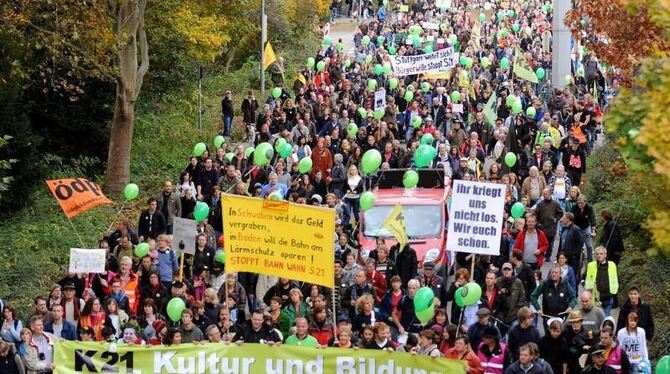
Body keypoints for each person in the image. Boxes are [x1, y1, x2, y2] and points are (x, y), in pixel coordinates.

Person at [531, 265, 577, 331]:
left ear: (560, 274)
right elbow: (533, 296)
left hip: (562, 317)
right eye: (552, 272)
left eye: (556, 273)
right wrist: (538, 309)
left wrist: (570, 307)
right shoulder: (545, 284)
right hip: (547, 317)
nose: (554, 274)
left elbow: (573, 297)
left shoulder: (565, 284)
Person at [584, 246, 619, 316]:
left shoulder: (612, 265)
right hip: (595, 298)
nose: (599, 255)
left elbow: (615, 279)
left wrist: (614, 291)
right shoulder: (591, 265)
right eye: (597, 254)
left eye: (601, 254)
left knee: (605, 319)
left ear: (605, 255)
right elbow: (587, 280)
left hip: (608, 297)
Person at [495, 262, 526, 336]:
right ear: (502, 271)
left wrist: (517, 311)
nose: (507, 271)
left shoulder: (518, 282)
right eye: (505, 269)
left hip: (513, 316)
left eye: (508, 269)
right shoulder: (497, 281)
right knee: (500, 337)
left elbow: (522, 298)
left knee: (513, 336)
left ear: (512, 270)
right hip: (500, 316)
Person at [533, 187, 563, 261]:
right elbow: (536, 214)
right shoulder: (540, 204)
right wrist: (537, 223)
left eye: (545, 193)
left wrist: (556, 219)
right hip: (542, 226)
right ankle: (541, 254)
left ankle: (548, 256)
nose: (543, 195)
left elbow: (560, 213)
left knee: (550, 242)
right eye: (543, 193)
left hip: (551, 227)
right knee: (541, 242)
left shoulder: (555, 204)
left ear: (549, 194)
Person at [558, 212, 585, 276]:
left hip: (572, 259)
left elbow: (581, 242)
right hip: (564, 257)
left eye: (563, 217)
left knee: (572, 276)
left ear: (568, 219)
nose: (562, 219)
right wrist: (558, 254)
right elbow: (561, 242)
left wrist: (574, 254)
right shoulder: (564, 228)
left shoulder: (576, 229)